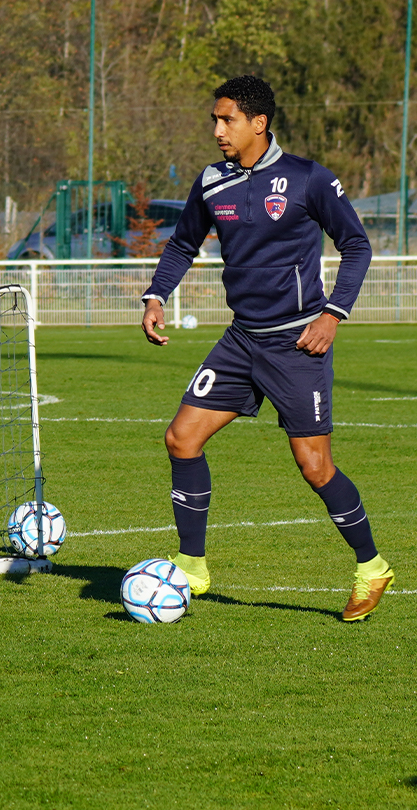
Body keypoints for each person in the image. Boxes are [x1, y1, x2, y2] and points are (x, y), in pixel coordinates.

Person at [140, 75, 393, 622]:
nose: (217, 130)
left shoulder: (308, 178)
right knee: (182, 438)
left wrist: (333, 314)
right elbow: (184, 242)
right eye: (214, 119)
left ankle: (371, 567)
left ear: (259, 123)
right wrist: (157, 294)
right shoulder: (212, 181)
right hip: (241, 339)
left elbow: (356, 245)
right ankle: (192, 566)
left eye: (226, 119)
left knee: (314, 466)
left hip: (297, 343)